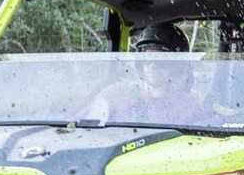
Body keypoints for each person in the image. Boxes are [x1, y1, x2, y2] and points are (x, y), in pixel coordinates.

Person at [81, 22, 210, 126]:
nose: (152, 66)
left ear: (176, 66)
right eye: (147, 58)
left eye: (161, 61)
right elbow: (76, 126)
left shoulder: (188, 107)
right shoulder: (116, 93)